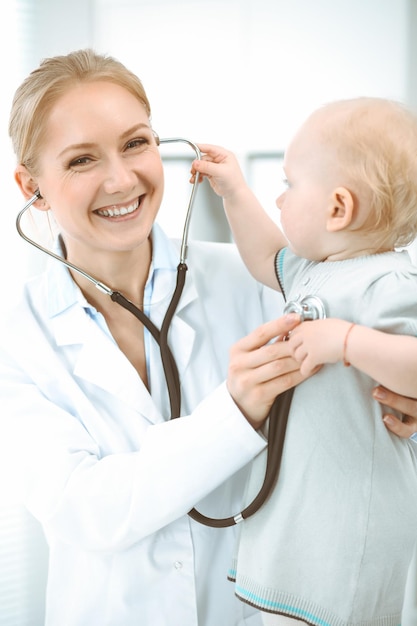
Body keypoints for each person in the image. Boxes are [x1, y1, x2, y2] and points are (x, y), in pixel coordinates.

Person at [1, 48, 311, 626]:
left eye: (136, 143)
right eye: (81, 160)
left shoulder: (254, 284)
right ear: (31, 187)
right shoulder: (15, 337)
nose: (122, 180)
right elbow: (85, 509)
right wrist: (235, 412)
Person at [191, 97, 417, 626]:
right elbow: (267, 255)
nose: (280, 197)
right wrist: (235, 193)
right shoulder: (317, 269)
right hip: (303, 516)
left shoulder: (386, 283)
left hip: (352, 524)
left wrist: (347, 342)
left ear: (339, 208)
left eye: (290, 185)